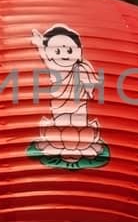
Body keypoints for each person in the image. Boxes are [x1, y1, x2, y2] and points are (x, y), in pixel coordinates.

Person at [30, 24, 105, 163]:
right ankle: (62, 145)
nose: (64, 55)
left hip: (79, 103)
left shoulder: (83, 69)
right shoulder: (54, 68)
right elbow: (45, 58)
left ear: (79, 52)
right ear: (49, 53)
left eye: (70, 50)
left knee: (80, 125)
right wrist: (40, 45)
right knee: (60, 125)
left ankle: (81, 145)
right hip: (60, 104)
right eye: (57, 51)